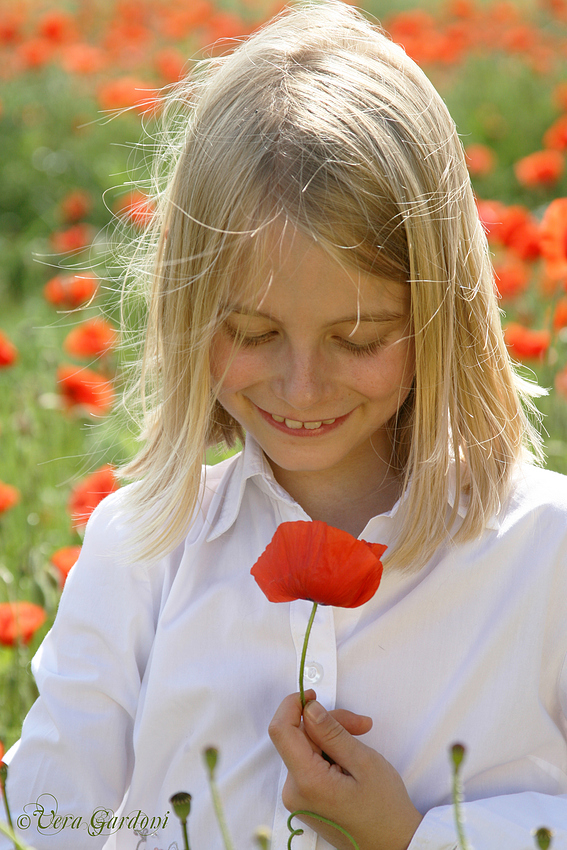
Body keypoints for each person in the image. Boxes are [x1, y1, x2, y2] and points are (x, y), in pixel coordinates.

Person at [1, 1, 566, 848]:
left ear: (441, 313)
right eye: (252, 334)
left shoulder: (541, 555)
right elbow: (44, 824)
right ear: (188, 314)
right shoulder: (143, 551)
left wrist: (412, 837)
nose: (301, 388)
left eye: (358, 338)